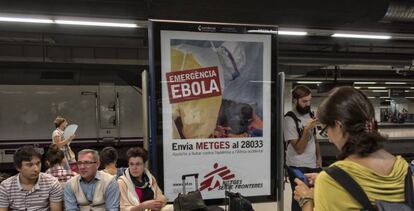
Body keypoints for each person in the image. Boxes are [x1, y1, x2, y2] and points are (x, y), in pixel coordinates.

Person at [294, 86, 412, 211]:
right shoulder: (406, 171)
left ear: (339, 126)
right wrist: (338, 180)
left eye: (325, 130)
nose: (329, 139)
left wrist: (306, 199)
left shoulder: (328, 182)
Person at [283, 85, 322, 211]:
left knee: (313, 197)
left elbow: (314, 139)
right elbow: (299, 148)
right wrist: (306, 129)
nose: (308, 104)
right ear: (295, 100)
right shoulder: (289, 119)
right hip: (297, 165)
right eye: (304, 101)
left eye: (309, 100)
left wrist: (319, 157)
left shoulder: (310, 115)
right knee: (300, 198)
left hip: (312, 163)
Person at [0, 145, 63, 211]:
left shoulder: (52, 183)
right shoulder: (5, 187)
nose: (36, 169)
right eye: (29, 165)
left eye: (38, 163)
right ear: (18, 168)